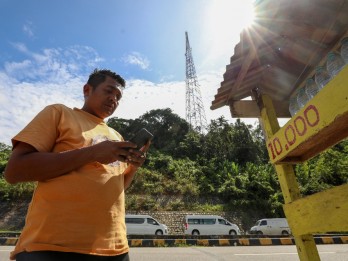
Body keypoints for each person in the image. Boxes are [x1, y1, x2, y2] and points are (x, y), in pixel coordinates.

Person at [4, 69, 150, 261]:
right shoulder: (59, 113)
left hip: (115, 249)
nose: (114, 99)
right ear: (87, 89)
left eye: (118, 96)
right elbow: (14, 171)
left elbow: (117, 187)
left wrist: (134, 167)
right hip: (51, 247)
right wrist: (92, 153)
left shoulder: (117, 137)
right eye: (109, 91)